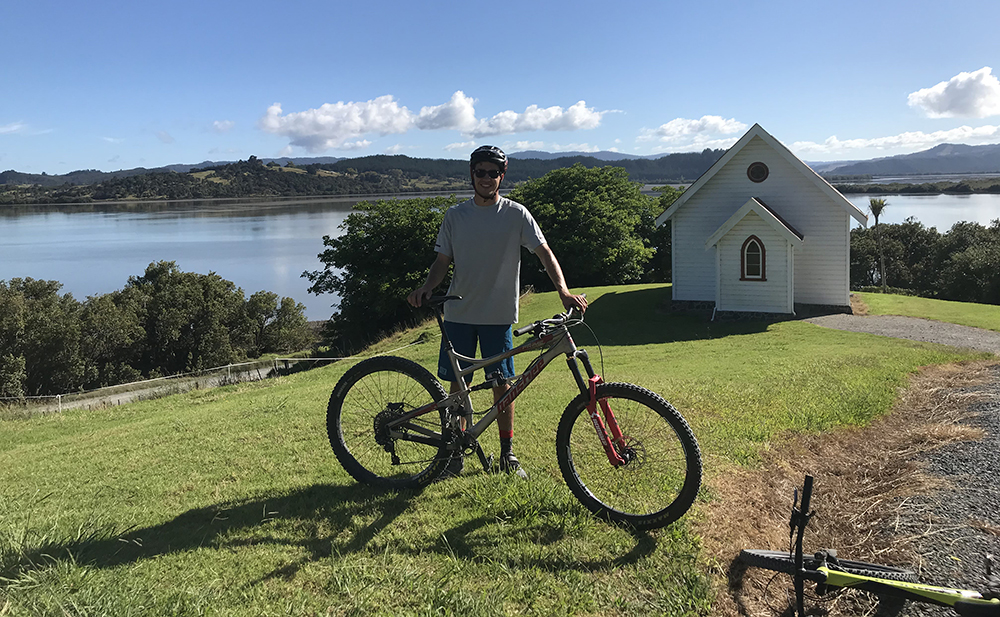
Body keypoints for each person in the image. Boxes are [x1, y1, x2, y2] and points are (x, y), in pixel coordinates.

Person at [407, 145, 587, 478]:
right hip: (459, 314)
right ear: (471, 175)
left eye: (494, 173)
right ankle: (456, 451)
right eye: (481, 172)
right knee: (458, 388)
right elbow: (441, 262)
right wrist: (428, 286)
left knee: (502, 385)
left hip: (499, 315)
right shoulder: (455, 216)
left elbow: (544, 253)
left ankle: (508, 454)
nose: (487, 178)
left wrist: (562, 290)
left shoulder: (517, 214)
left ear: (502, 176)